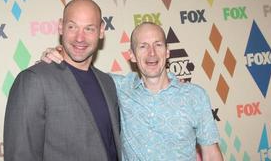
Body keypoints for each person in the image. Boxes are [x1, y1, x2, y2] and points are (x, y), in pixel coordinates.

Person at [42, 22, 224, 161]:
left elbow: (211, 154)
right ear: (132, 55)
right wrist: (56, 54)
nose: (151, 53)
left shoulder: (194, 96)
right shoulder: (115, 86)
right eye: (143, 46)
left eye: (158, 45)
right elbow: (79, 72)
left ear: (168, 52)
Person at [3, 0, 121, 161]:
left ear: (101, 31)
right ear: (60, 27)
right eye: (72, 27)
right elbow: (21, 155)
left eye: (89, 28)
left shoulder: (108, 83)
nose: (80, 38)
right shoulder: (34, 81)